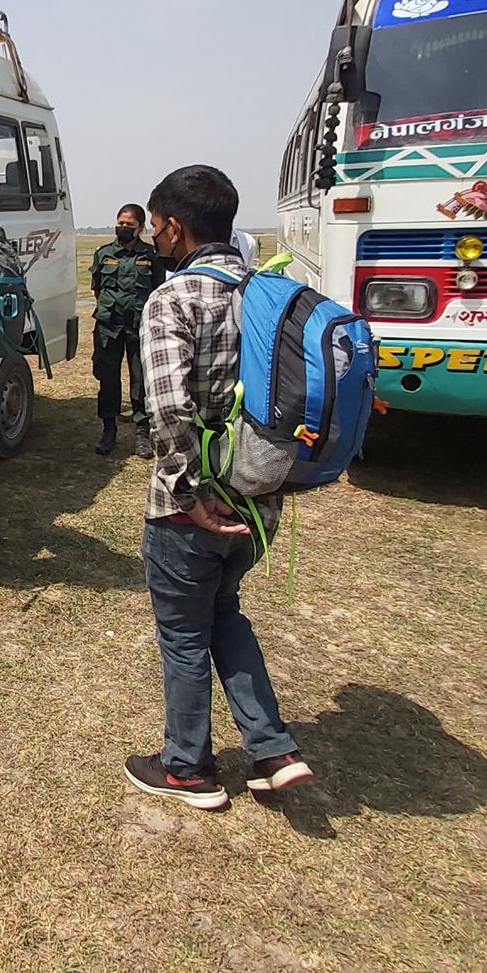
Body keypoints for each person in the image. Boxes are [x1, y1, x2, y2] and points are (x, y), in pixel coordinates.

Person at [123, 163, 310, 810]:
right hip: (259, 505)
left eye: (155, 226)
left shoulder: (173, 299)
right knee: (222, 612)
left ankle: (186, 769)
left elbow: (169, 411)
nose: (153, 238)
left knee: (182, 635)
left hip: (191, 512)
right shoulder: (268, 291)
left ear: (175, 227)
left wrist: (184, 494)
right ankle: (274, 749)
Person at [89, 204, 163, 457]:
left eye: (129, 225)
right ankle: (108, 430)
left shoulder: (151, 256)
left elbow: (157, 291)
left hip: (139, 327)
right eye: (120, 223)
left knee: (140, 380)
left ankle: (142, 433)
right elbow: (97, 289)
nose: (122, 228)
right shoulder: (104, 253)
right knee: (108, 379)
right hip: (109, 327)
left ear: (140, 228)